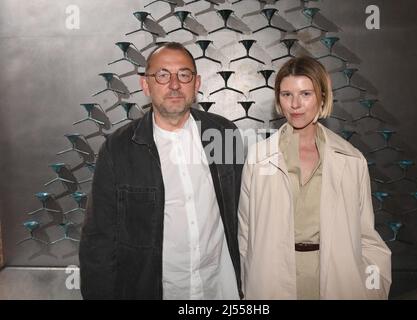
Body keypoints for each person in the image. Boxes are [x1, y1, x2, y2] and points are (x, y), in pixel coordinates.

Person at [79, 42, 243, 300]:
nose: (175, 84)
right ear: (146, 85)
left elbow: (240, 212)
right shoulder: (119, 149)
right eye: (163, 75)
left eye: (184, 75)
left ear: (197, 83)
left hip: (218, 289)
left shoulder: (222, 134)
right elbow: (98, 240)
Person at [238, 56, 392, 299]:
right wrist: (251, 289)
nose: (295, 104)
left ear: (322, 96)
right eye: (286, 94)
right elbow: (245, 236)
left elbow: (366, 237)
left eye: (305, 94)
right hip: (272, 280)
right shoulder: (258, 158)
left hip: (337, 280)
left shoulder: (351, 160)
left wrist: (374, 290)